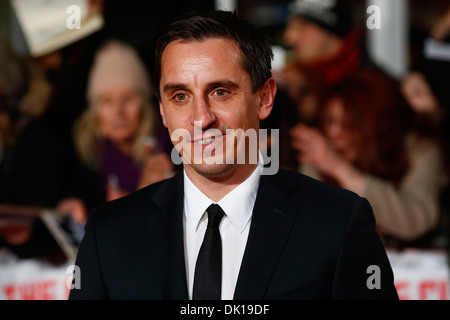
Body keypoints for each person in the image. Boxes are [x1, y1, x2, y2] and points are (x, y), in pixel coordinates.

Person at [69, 10, 397, 300]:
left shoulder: (337, 223)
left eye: (221, 92)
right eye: (180, 96)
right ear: (163, 112)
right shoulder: (109, 234)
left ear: (265, 98)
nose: (201, 118)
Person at [291, 70, 446, 244]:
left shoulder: (420, 150)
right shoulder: (320, 156)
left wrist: (341, 170)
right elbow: (309, 228)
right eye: (330, 121)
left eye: (348, 124)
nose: (335, 133)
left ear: (379, 125)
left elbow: (415, 220)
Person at [57, 40, 174, 224]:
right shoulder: (90, 155)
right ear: (95, 111)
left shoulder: (172, 147)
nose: (118, 112)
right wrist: (68, 208)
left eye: (127, 99)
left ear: (143, 106)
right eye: (107, 102)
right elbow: (78, 200)